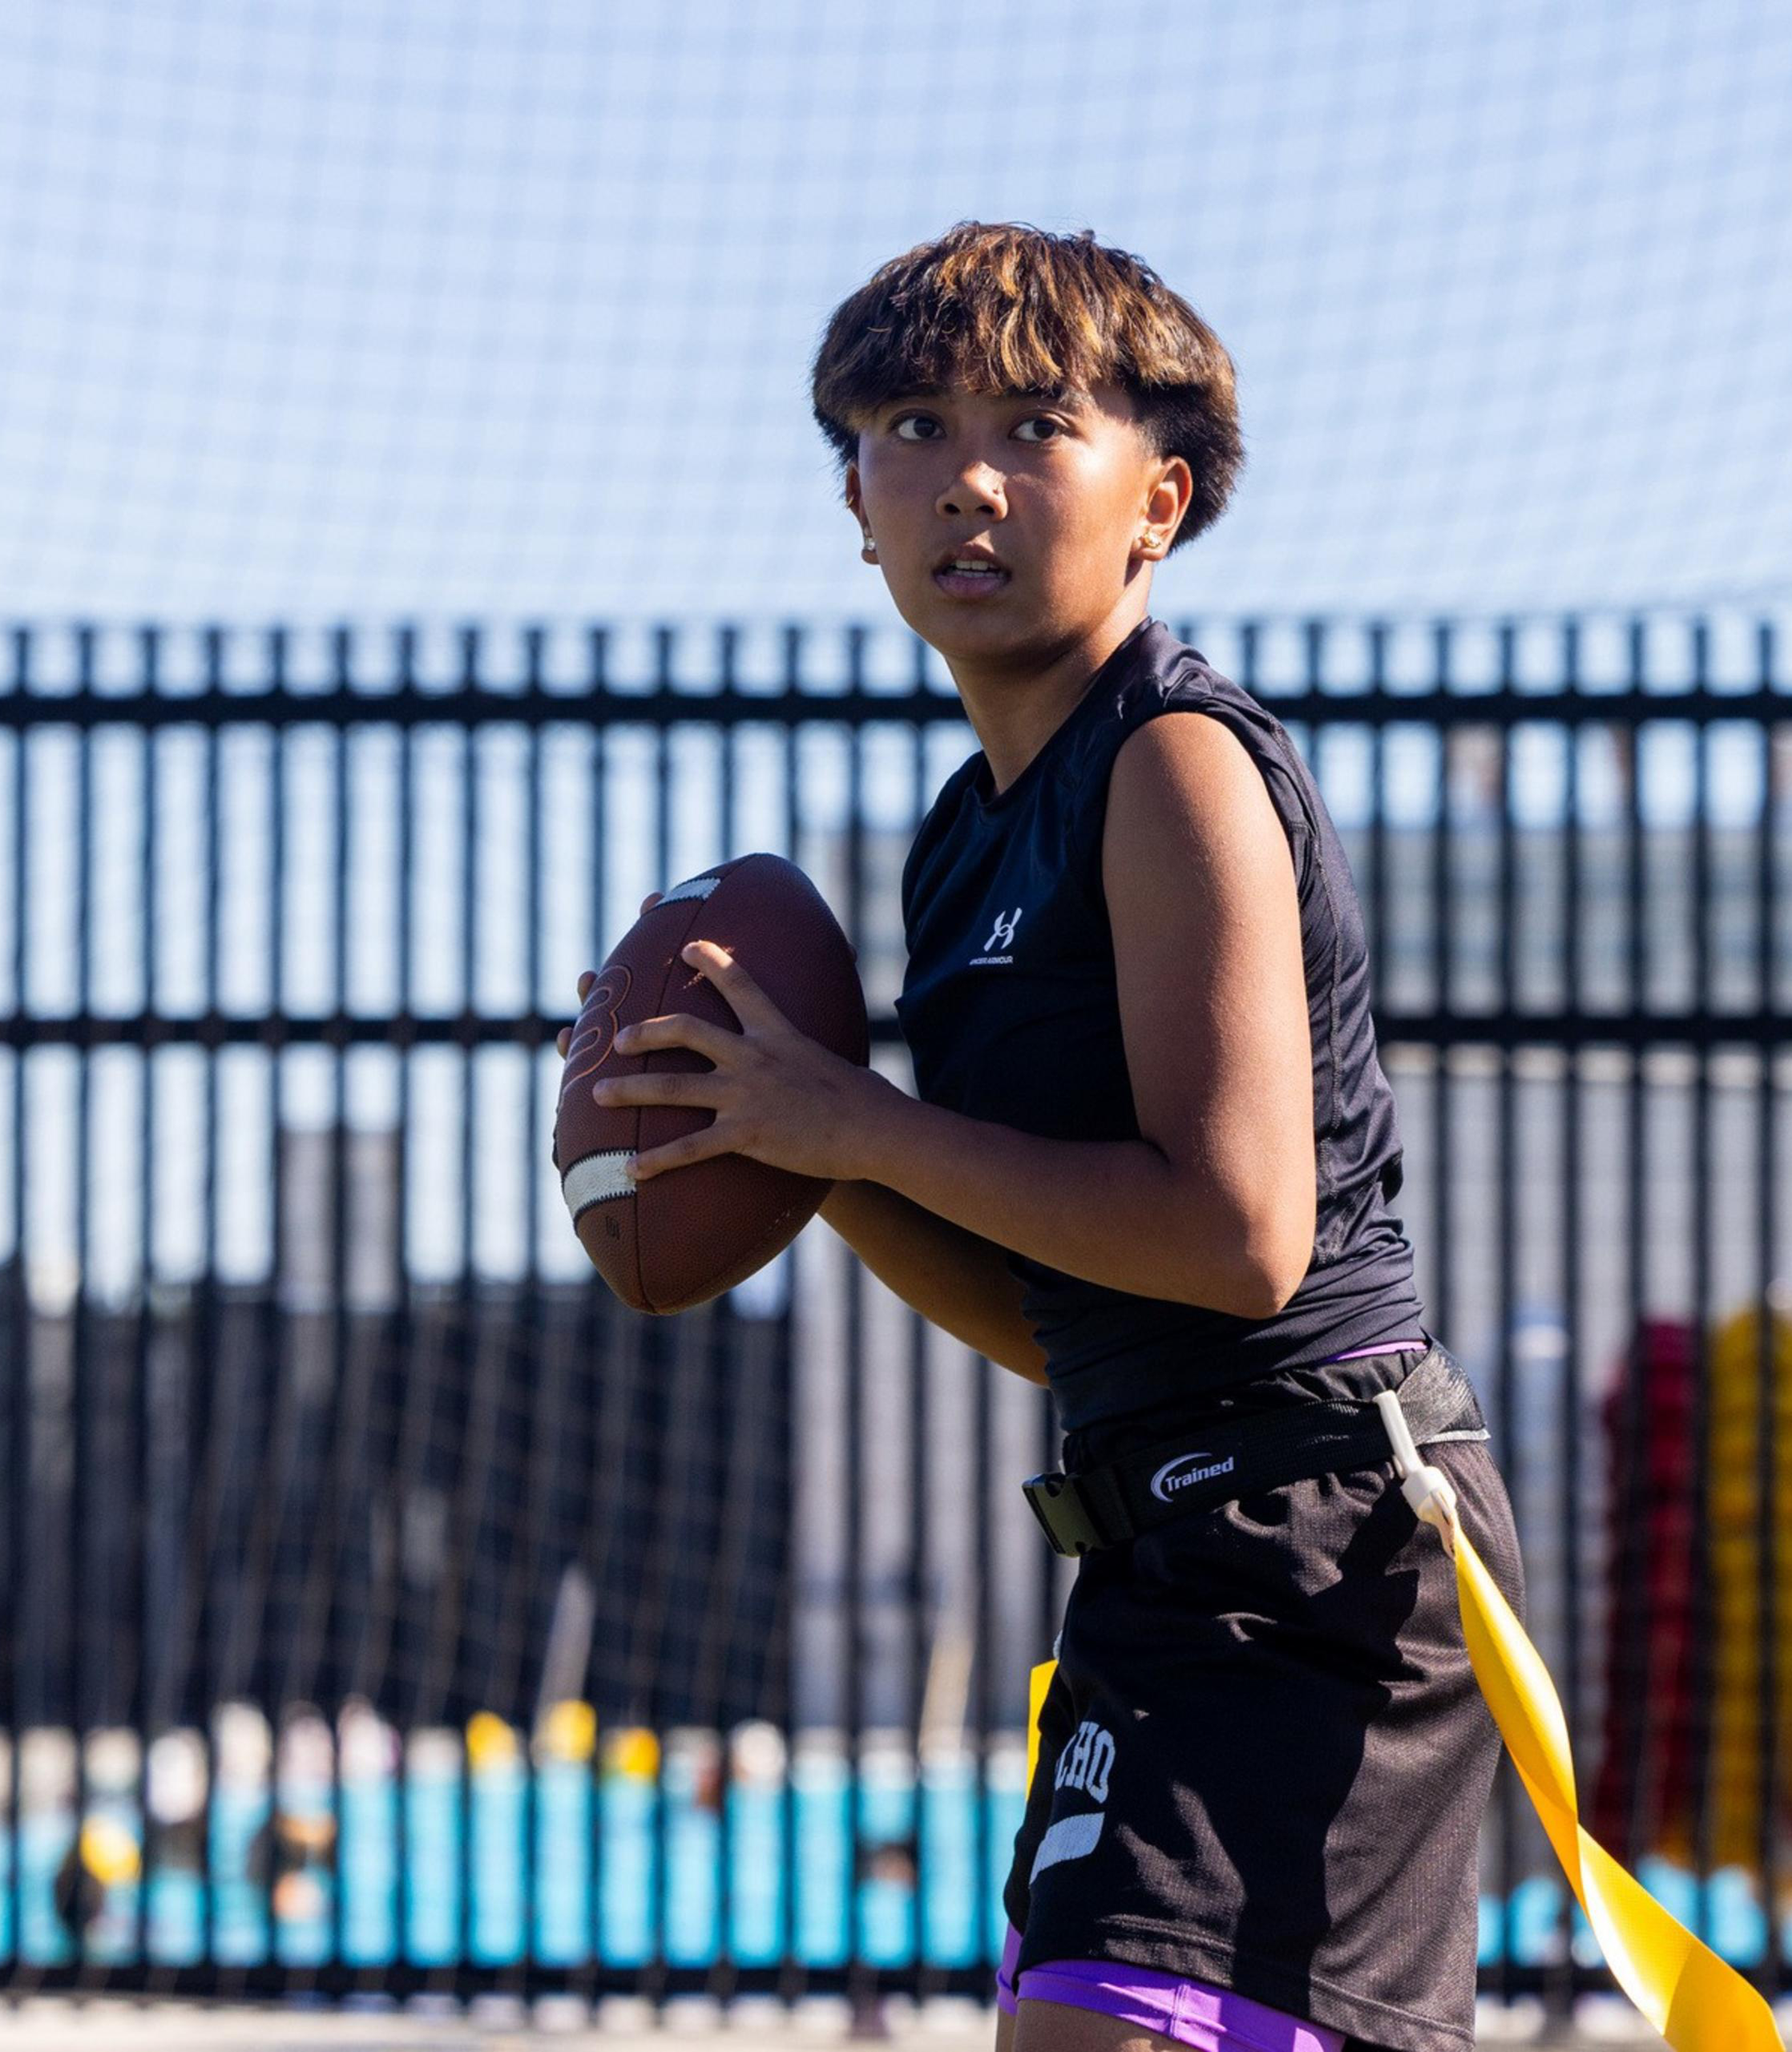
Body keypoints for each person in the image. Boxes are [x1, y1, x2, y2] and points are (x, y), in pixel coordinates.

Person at [567, 222, 1523, 2052]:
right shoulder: (959, 839)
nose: (966, 479)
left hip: (1315, 1535)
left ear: (1157, 499)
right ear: (853, 501)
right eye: (910, 426)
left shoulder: (1171, 762)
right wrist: (798, 1147)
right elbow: (1063, 1310)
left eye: (1032, 425)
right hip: (1162, 1532)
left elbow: (1243, 1237)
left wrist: (855, 1116)